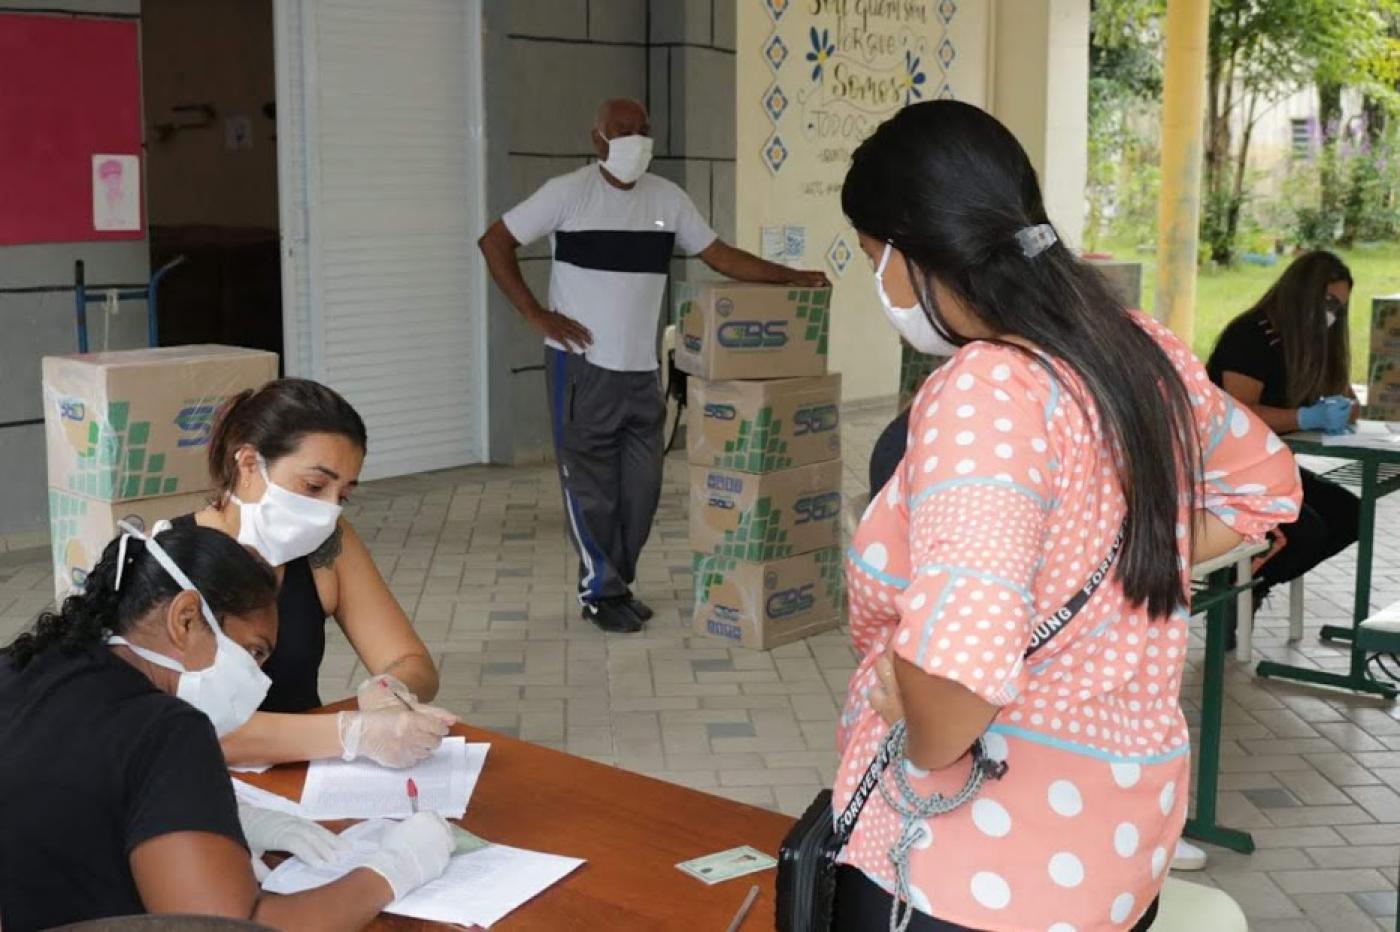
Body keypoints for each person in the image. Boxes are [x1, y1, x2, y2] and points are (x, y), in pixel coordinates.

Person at [831, 101, 1301, 932]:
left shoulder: (986, 389)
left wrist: (909, 692)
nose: (881, 284)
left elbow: (957, 683)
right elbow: (1264, 487)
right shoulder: (1133, 347)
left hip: (971, 877)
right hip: (1116, 854)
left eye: (873, 258)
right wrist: (1121, 552)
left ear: (908, 252)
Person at [479, 97, 829, 634]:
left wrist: (791, 277)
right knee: (591, 487)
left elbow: (719, 255)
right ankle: (600, 591)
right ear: (598, 139)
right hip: (583, 369)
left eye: (643, 130)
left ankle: (619, 583)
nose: (635, 139)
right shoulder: (569, 193)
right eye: (622, 130)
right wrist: (536, 314)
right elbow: (495, 240)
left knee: (641, 490)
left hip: (643, 370)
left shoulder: (667, 199)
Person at [0, 524, 455, 930]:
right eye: (255, 652)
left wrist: (205, 811)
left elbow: (79, 789)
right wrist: (393, 870)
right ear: (185, 618)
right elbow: (227, 928)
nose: (260, 678)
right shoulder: (167, 729)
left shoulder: (23, 667)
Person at [185, 378, 456, 769]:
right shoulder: (168, 556)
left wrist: (390, 689)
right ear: (247, 463)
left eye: (343, 495)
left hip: (306, 776)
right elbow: (195, 729)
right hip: (202, 782)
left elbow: (410, 659)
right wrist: (351, 733)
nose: (329, 510)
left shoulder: (328, 547)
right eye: (314, 486)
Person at [1206, 251, 1361, 615]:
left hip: (1271, 470)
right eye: (1327, 303)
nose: (1332, 315)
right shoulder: (1251, 335)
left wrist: (1341, 408)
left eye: (1339, 308)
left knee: (1350, 514)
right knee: (1305, 530)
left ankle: (1255, 586)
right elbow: (1241, 415)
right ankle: (1232, 596)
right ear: (1302, 294)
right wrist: (1305, 417)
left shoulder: (1310, 342)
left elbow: (1350, 399)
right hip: (1225, 474)